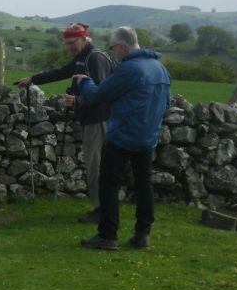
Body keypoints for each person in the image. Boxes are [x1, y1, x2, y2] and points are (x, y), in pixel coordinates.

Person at [73, 26, 171, 250]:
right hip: (148, 137)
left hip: (123, 135)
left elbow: (98, 94)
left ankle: (108, 235)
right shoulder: (160, 68)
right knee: (144, 184)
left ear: (122, 47)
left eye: (113, 48)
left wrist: (83, 81)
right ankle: (142, 233)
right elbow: (167, 102)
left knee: (108, 183)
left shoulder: (129, 69)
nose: (112, 53)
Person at [15, 23, 116, 224]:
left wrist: (77, 101)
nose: (69, 47)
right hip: (93, 118)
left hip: (99, 119)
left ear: (83, 39)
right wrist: (33, 79)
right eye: (67, 43)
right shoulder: (83, 58)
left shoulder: (94, 58)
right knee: (95, 163)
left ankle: (102, 209)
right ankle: (102, 206)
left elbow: (103, 92)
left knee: (96, 164)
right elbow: (61, 72)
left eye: (72, 42)